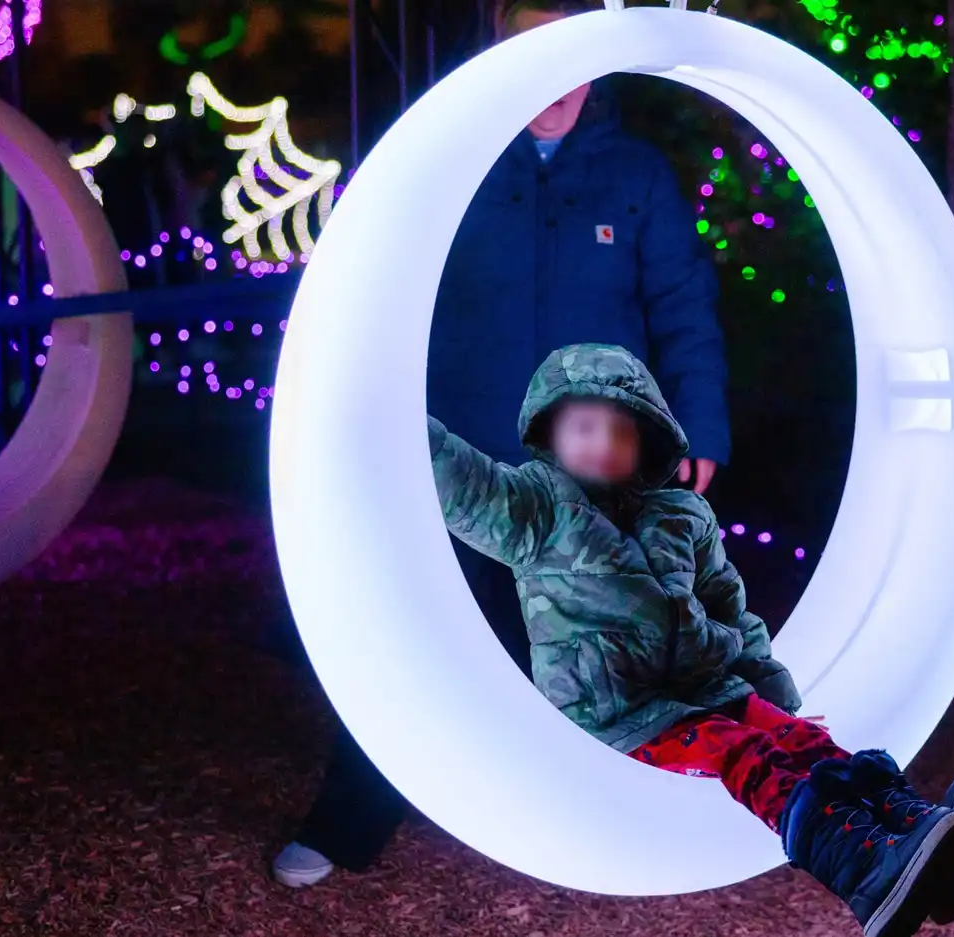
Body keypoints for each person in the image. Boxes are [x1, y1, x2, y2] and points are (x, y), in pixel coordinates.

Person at [273, 0, 731, 887]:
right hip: (462, 458)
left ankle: (593, 830)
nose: (553, 80)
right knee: (408, 636)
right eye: (530, 49)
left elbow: (681, 306)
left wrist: (701, 427)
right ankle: (349, 822)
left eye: (569, 55)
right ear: (499, 52)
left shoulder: (633, 173)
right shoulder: (446, 157)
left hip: (594, 469)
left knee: (601, 649)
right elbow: (373, 287)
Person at [434, 343, 954, 937]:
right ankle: (866, 868)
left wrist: (773, 694)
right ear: (550, 433)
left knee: (803, 740)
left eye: (621, 431)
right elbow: (460, 481)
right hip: (621, 715)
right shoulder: (534, 511)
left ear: (647, 442)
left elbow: (729, 609)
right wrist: (397, 416)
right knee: (743, 754)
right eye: (584, 427)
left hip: (710, 686)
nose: (604, 444)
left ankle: (920, 835)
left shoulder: (682, 515)